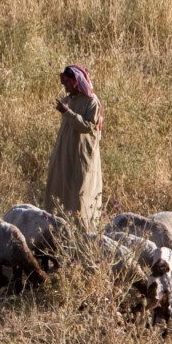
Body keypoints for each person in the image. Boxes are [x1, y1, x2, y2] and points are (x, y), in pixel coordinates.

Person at [44, 65, 103, 231]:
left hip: (82, 158)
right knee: (60, 189)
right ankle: (58, 229)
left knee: (79, 195)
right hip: (64, 154)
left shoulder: (91, 102)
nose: (65, 86)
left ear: (77, 82)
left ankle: (82, 232)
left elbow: (88, 127)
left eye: (68, 83)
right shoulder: (68, 100)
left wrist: (67, 112)